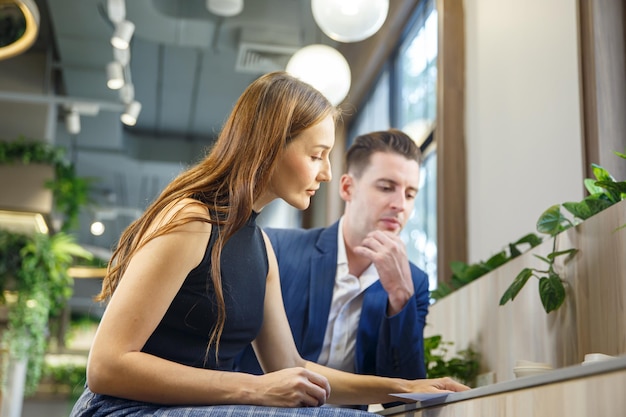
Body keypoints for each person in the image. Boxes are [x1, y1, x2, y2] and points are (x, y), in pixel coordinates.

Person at [70, 71, 468, 417]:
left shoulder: (260, 248)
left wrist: (403, 387)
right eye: (317, 155)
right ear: (270, 145)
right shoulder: (192, 220)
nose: (327, 173)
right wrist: (255, 388)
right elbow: (106, 366)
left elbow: (290, 364)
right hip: (124, 409)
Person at [235, 129, 430, 387]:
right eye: (386, 187)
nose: (400, 205)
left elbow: (407, 388)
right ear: (348, 187)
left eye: (410, 194)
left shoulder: (414, 283)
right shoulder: (276, 248)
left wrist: (400, 300)